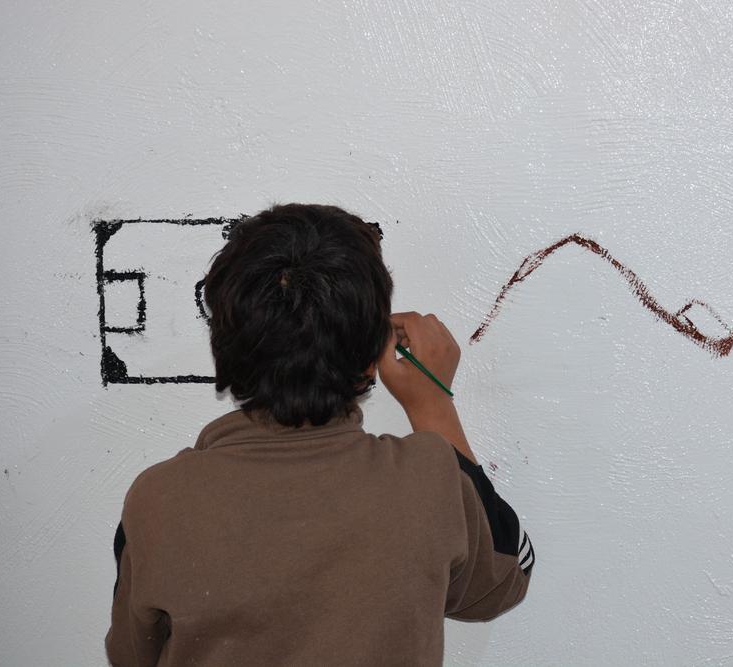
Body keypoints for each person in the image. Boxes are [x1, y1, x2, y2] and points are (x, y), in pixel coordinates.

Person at [105, 204, 534, 666]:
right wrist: (432, 404)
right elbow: (504, 578)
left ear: (223, 348)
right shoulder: (429, 481)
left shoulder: (158, 499)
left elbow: (131, 655)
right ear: (371, 358)